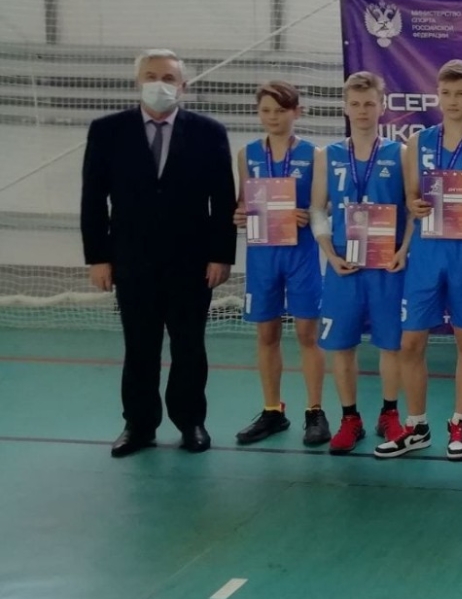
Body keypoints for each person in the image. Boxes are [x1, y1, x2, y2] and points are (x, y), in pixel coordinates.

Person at [80, 49, 235, 456]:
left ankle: (191, 422)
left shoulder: (209, 132)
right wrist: (98, 257)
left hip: (192, 262)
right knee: (139, 346)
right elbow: (93, 199)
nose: (159, 84)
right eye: (151, 76)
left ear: (183, 86)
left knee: (189, 346)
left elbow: (223, 200)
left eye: (168, 77)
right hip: (132, 260)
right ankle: (139, 424)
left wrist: (221, 255)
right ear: (138, 81)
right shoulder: (107, 131)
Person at [382, 61, 462, 461]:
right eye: (447, 93)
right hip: (427, 251)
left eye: (461, 94)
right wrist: (415, 207)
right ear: (437, 95)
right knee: (410, 341)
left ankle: (459, 423)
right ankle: (417, 426)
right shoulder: (417, 142)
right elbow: (411, 199)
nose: (453, 101)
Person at [309, 71, 409, 455]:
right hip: (343, 264)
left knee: (391, 344)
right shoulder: (328, 155)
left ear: (382, 106)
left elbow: (414, 209)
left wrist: (404, 250)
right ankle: (350, 418)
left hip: (387, 264)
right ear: (345, 107)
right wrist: (329, 253)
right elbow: (317, 209)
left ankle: (390, 413)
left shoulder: (401, 153)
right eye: (355, 104)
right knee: (341, 345)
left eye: (369, 103)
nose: (363, 110)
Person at [232, 82, 328, 447]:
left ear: (296, 112)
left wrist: (311, 214)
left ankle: (315, 411)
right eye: (266, 110)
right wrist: (239, 215)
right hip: (262, 256)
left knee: (307, 334)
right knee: (267, 334)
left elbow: (323, 206)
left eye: (280, 110)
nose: (272, 117)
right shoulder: (247, 154)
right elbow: (243, 203)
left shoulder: (314, 154)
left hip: (301, 254)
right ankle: (272, 410)